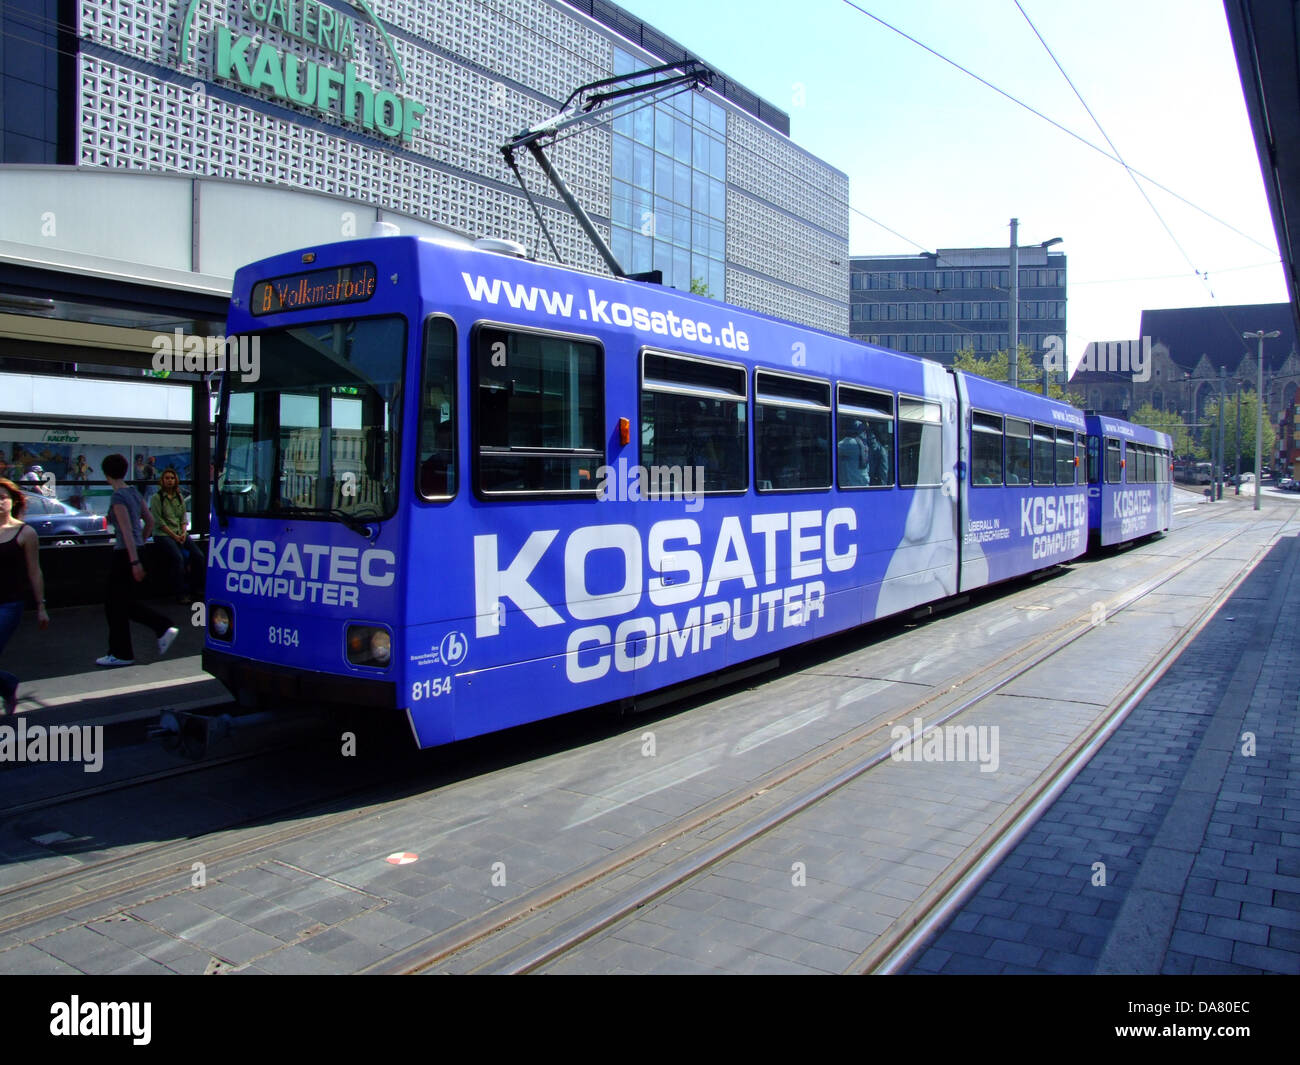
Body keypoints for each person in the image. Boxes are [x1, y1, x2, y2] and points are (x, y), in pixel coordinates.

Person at [98, 453, 177, 668]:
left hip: (125, 555)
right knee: (122, 603)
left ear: (106, 474)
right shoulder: (133, 492)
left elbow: (124, 531)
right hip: (137, 551)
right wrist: (140, 546)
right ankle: (124, 650)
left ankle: (126, 650)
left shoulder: (118, 497)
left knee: (115, 604)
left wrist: (134, 561)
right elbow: (149, 521)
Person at [0, 479, 49, 714]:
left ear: (12, 501)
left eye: (2, 498)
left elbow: (34, 570)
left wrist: (41, 605)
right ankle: (8, 683)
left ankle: (8, 685)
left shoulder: (25, 532)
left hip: (9, 604)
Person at [149, 467, 204, 602]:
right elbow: (159, 521)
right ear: (162, 480)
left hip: (180, 533)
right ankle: (180, 593)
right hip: (163, 535)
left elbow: (183, 518)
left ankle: (196, 588)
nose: (170, 481)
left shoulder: (179, 497)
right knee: (178, 558)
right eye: (167, 478)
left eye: (172, 478)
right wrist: (175, 536)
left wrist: (184, 533)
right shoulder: (157, 498)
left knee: (199, 555)